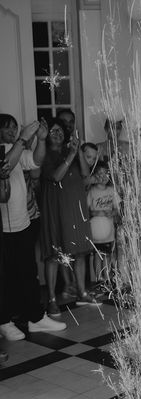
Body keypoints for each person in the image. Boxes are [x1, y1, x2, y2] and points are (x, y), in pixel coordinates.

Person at [0, 114, 66, 339]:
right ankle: (4, 321)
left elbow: (36, 161)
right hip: (4, 227)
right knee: (6, 276)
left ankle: (35, 318)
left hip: (23, 221)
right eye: (7, 128)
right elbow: (4, 167)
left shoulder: (15, 149)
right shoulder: (6, 150)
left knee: (28, 273)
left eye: (14, 128)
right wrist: (22, 138)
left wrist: (40, 140)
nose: (12, 131)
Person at [40, 119, 101, 317]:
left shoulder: (72, 151)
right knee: (54, 255)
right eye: (52, 130)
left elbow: (84, 173)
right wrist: (72, 155)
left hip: (76, 208)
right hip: (57, 209)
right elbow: (56, 176)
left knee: (81, 252)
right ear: (46, 134)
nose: (57, 134)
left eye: (59, 130)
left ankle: (82, 292)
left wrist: (78, 152)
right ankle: (51, 300)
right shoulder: (44, 154)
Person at [87, 159, 120, 285]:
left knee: (107, 255)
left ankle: (107, 278)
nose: (103, 177)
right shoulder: (91, 192)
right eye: (99, 174)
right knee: (97, 255)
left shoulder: (111, 191)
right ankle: (99, 279)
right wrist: (94, 213)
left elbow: (117, 209)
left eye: (105, 173)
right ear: (94, 175)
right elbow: (86, 210)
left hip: (109, 231)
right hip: (95, 230)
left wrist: (112, 213)